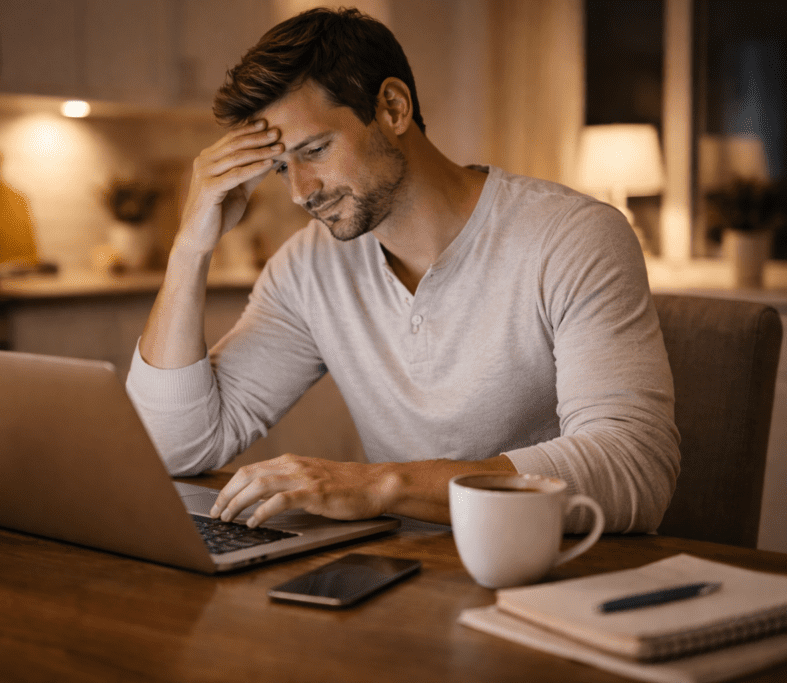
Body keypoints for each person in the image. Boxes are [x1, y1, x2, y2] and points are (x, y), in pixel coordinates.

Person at [126, 7, 679, 534]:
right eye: (279, 168)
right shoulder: (308, 268)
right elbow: (173, 446)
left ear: (392, 108)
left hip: (558, 577)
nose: (299, 193)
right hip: (404, 580)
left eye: (315, 149)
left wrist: (383, 485)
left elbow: (634, 467)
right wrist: (190, 247)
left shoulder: (573, 238)